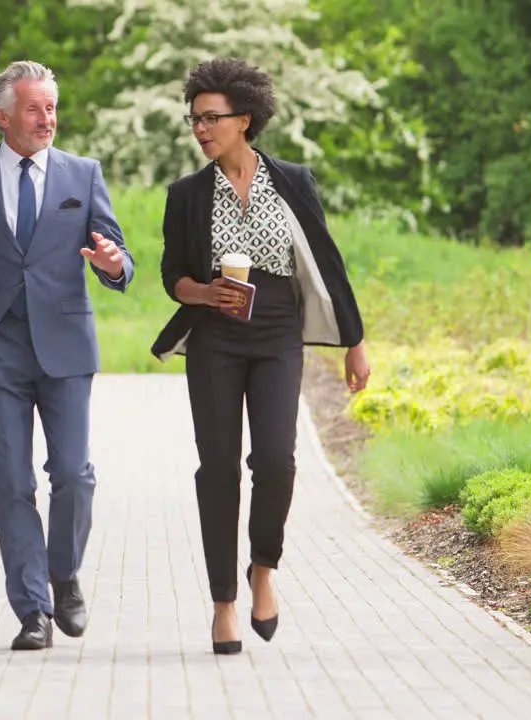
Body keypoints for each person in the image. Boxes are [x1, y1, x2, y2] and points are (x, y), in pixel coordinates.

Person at [150, 58, 371, 655]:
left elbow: (327, 260)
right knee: (217, 468)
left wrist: (355, 340)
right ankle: (223, 603)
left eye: (212, 118)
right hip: (216, 334)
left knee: (276, 460)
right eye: (194, 119)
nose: (200, 129)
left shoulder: (292, 180)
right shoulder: (187, 196)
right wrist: (201, 292)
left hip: (277, 328)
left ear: (244, 119)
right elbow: (173, 275)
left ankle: (263, 569)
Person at [0, 60, 135, 651]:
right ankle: (32, 610)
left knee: (73, 476)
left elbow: (118, 255)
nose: (48, 119)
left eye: (52, 108)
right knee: (10, 483)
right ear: (3, 116)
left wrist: (115, 265)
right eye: (36, 109)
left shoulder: (82, 175)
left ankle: (64, 576)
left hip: (65, 345)